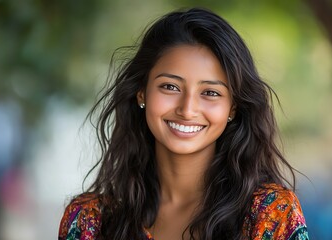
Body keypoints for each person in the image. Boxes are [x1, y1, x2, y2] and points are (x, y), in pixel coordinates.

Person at [58, 7, 308, 240]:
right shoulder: (88, 221)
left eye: (210, 92)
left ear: (233, 107)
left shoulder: (272, 214)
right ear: (142, 92)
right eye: (170, 87)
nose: (187, 109)